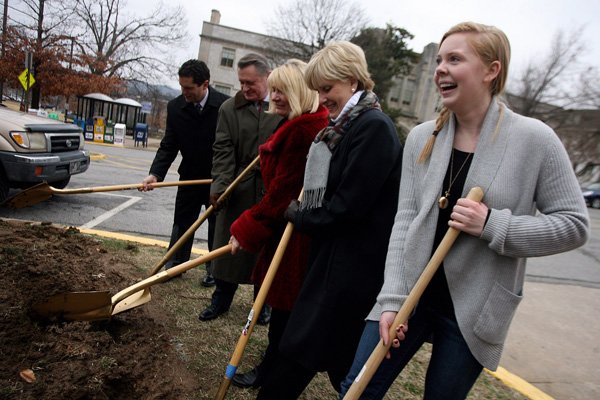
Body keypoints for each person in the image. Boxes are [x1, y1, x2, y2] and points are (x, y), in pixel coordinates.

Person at [339, 22, 590, 400]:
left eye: (455, 59)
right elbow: (404, 222)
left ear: (492, 70)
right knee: (356, 389)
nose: (441, 68)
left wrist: (491, 224)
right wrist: (392, 300)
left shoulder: (535, 139)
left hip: (473, 308)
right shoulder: (423, 137)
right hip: (410, 294)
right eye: (439, 59)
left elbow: (573, 225)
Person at [256, 41, 403, 399]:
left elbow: (347, 208)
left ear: (352, 80)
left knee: (297, 358)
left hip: (349, 273)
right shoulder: (344, 128)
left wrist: (300, 214)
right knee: (337, 364)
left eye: (327, 89)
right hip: (332, 264)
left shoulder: (373, 129)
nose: (322, 98)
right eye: (318, 90)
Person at [227, 59, 329, 389]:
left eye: (282, 90)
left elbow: (280, 197)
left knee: (285, 313)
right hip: (291, 230)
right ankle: (272, 367)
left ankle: (273, 372)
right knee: (283, 311)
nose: (275, 96)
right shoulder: (296, 124)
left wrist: (245, 228)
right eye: (274, 88)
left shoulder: (303, 132)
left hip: (295, 236)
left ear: (299, 91)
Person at [198, 53, 283, 322]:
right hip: (239, 185)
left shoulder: (284, 106)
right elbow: (222, 149)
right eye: (241, 82)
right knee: (228, 248)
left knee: (267, 250)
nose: (245, 88)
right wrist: (220, 186)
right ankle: (221, 299)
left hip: (272, 189)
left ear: (267, 77)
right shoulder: (228, 109)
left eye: (251, 82)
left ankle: (263, 305)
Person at [140, 59, 229, 284]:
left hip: (217, 178)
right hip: (189, 176)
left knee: (216, 225)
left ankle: (214, 269)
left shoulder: (225, 107)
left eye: (189, 88)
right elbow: (169, 144)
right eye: (181, 86)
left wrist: (226, 178)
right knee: (182, 221)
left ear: (205, 84)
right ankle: (176, 263)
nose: (184, 92)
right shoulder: (176, 107)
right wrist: (155, 174)